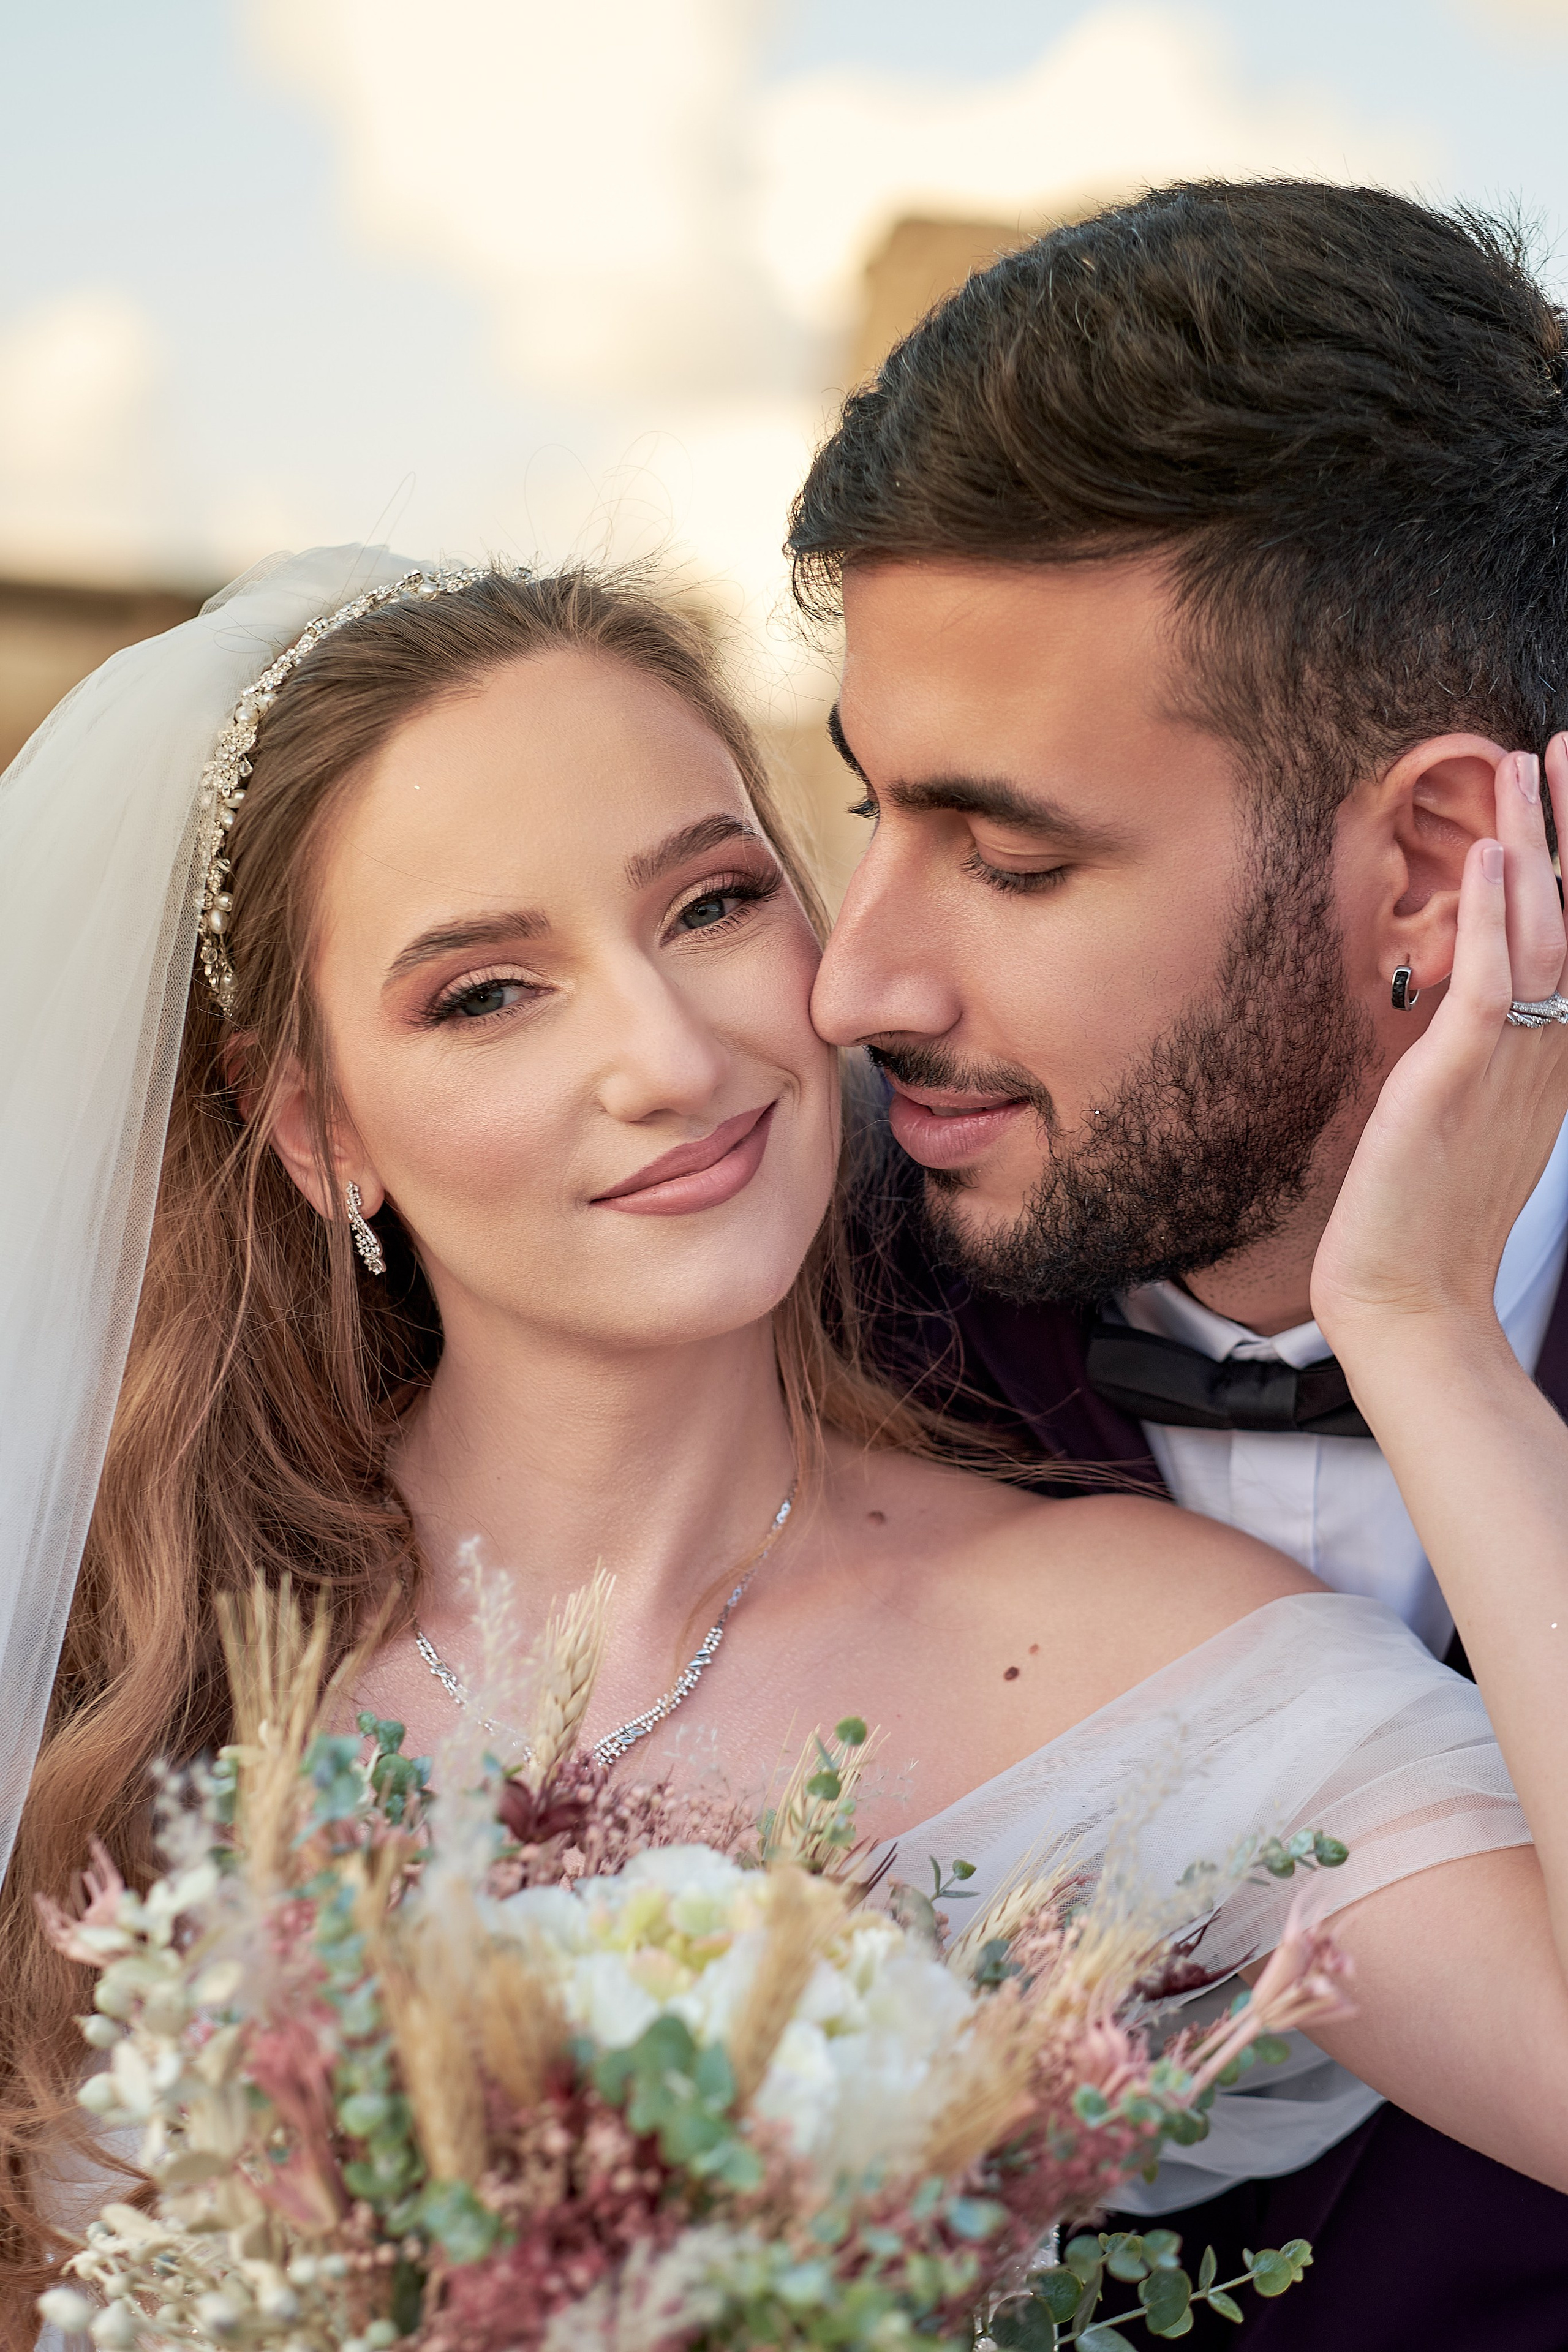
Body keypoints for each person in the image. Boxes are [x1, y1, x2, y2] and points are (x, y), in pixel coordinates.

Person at [0, 548, 1564, 2351]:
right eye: (487, 994)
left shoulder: (1137, 1654)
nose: (669, 1054)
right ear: (316, 1129)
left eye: (715, 904)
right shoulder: (122, 1680)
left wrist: (1429, 1330)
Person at [791, 179, 1568, 2344]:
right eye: (870, 815)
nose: (856, 986)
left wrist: (1418, 1335)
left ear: (1435, 859)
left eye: (1015, 858)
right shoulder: (761, 1312)